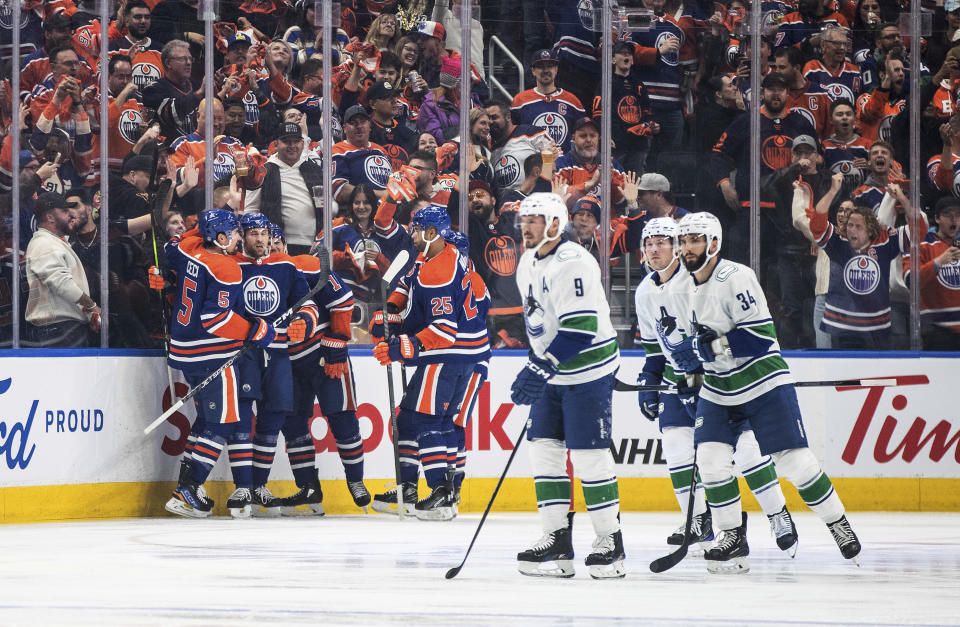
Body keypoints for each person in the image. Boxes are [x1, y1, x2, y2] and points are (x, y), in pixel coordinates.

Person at [669, 211, 861, 572]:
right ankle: (731, 537)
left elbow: (758, 338)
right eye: (683, 240)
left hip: (763, 383)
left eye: (694, 239)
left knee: (796, 464)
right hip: (720, 389)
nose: (687, 247)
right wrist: (692, 373)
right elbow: (698, 346)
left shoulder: (736, 276)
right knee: (710, 462)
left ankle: (838, 523)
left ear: (714, 242)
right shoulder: (682, 286)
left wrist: (709, 349)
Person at [634, 217, 798, 556]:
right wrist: (649, 380)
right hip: (678, 383)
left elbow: (710, 336)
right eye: (648, 243)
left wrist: (698, 373)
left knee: (749, 451)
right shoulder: (644, 291)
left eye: (662, 241)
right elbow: (654, 347)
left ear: (678, 246)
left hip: (717, 380)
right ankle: (698, 520)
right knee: (678, 450)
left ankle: (777, 512)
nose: (654, 249)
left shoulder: (694, 281)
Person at [510, 192, 625, 579]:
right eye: (524, 220)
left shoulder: (574, 263)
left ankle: (611, 542)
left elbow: (579, 330)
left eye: (535, 220)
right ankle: (556, 539)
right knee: (544, 450)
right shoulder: (526, 261)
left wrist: (540, 367)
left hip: (588, 371)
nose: (526, 228)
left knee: (589, 455)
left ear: (556, 224)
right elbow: (538, 322)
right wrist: (535, 363)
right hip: (553, 370)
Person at [163, 209, 286, 519]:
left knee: (206, 420)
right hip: (212, 352)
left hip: (184, 350)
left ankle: (188, 486)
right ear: (219, 237)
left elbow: (172, 245)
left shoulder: (186, 250)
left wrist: (203, 227)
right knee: (224, 423)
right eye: (231, 233)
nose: (236, 238)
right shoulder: (226, 267)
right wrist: (257, 329)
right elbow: (215, 318)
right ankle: (189, 490)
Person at [370, 206, 477, 520]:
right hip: (450, 355)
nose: (412, 235)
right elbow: (409, 283)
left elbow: (444, 329)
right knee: (407, 420)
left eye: (416, 230)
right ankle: (408, 487)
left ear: (432, 234)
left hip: (446, 356)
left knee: (426, 421)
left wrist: (400, 345)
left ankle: (441, 493)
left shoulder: (439, 272)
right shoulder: (435, 257)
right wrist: (392, 310)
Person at [232, 213, 319, 517]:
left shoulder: (285, 265)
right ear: (242, 236)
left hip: (279, 351)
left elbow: (307, 302)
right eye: (252, 233)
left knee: (274, 418)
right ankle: (242, 487)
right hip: (245, 352)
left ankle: (258, 487)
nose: (259, 239)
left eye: (263, 233)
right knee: (242, 417)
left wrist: (305, 322)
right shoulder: (233, 266)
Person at [285, 245, 369, 514]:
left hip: (325, 356)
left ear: (283, 245)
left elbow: (343, 299)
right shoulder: (250, 273)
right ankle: (308, 487)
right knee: (293, 423)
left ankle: (356, 481)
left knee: (342, 417)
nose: (271, 246)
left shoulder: (304, 264)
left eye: (276, 242)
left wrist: (339, 338)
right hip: (289, 363)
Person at [442, 228, 491, 505]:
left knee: (454, 422)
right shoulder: (471, 277)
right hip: (463, 358)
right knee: (449, 421)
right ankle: (451, 485)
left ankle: (453, 486)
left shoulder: (464, 278)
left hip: (470, 359)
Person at [24, 192, 101, 348]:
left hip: (63, 328)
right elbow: (61, 283)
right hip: (59, 330)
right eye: (65, 211)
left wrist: (88, 315)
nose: (70, 215)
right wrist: (92, 306)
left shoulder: (53, 242)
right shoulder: (44, 243)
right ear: (50, 217)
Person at [244, 122, 323, 255]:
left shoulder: (314, 170)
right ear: (276, 144)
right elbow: (250, 210)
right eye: (286, 141)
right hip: (276, 247)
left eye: (296, 141)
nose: (292, 146)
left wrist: (323, 238)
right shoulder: (263, 171)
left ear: (303, 144)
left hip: (314, 246)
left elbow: (324, 207)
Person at [902, 196, 960, 350]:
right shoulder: (921, 245)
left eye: (958, 215)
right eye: (948, 215)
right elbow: (910, 281)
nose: (954, 220)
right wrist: (938, 262)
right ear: (937, 218)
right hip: (937, 331)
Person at [510, 49, 585, 153]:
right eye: (541, 67)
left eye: (550, 66)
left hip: (564, 166)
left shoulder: (572, 101)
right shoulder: (520, 101)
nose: (546, 70)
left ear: (556, 69)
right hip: (532, 164)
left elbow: (582, 134)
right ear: (533, 71)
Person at [485, 98, 552, 194]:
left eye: (494, 117)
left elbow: (554, 161)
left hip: (536, 201)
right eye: (488, 119)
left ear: (508, 116)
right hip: (507, 205)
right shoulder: (491, 151)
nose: (490, 122)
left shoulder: (532, 133)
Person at [332, 105, 393, 204]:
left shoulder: (381, 150)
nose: (359, 126)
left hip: (389, 209)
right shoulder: (337, 150)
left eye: (363, 122)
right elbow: (340, 189)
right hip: (360, 211)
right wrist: (381, 195)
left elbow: (394, 181)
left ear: (369, 126)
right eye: (353, 123)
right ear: (345, 129)